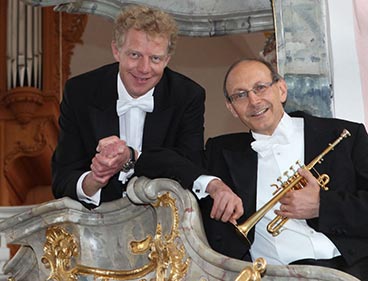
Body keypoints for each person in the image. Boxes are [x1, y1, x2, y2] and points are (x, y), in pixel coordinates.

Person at [197, 58, 368, 280]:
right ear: (231, 108)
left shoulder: (345, 135)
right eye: (240, 95)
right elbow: (169, 161)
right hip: (275, 275)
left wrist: (322, 206)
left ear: (281, 89)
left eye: (260, 87)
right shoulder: (219, 151)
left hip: (354, 269)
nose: (253, 100)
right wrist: (214, 185)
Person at [51, 4, 206, 208]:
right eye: (135, 55)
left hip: (164, 223)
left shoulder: (187, 96)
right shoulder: (80, 92)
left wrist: (133, 157)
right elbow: (62, 179)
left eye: (155, 58)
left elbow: (191, 169)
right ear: (116, 51)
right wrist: (95, 179)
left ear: (167, 60)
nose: (144, 68)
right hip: (96, 224)